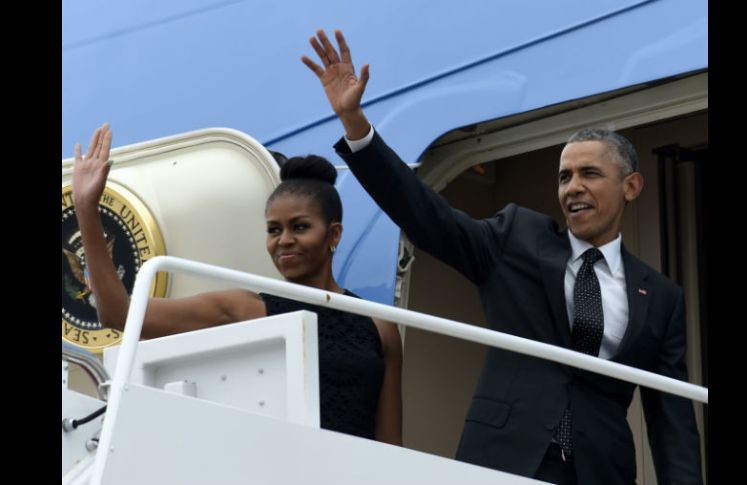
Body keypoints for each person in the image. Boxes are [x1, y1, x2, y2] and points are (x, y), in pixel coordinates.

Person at [301, 30, 702, 483]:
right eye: (564, 176)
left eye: (590, 173)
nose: (573, 187)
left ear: (630, 187)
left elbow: (673, 420)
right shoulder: (518, 237)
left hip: (600, 470)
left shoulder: (662, 297)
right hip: (504, 459)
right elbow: (429, 217)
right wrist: (357, 127)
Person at [71, 123, 403, 445]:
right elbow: (119, 314)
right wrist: (87, 209)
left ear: (333, 234)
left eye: (299, 227)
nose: (283, 240)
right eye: (274, 230)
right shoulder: (246, 308)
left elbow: (392, 447)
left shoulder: (379, 326)